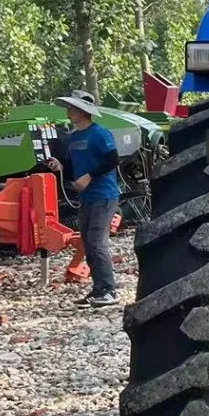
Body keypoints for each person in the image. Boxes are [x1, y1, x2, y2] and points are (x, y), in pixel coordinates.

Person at [50, 92, 121, 307]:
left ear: (83, 111)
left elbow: (112, 160)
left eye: (72, 108)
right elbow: (72, 167)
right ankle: (98, 289)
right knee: (88, 243)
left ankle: (109, 290)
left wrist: (90, 176)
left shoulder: (100, 134)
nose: (68, 112)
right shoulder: (73, 138)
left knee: (97, 241)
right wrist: (60, 167)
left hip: (104, 195)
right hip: (86, 198)